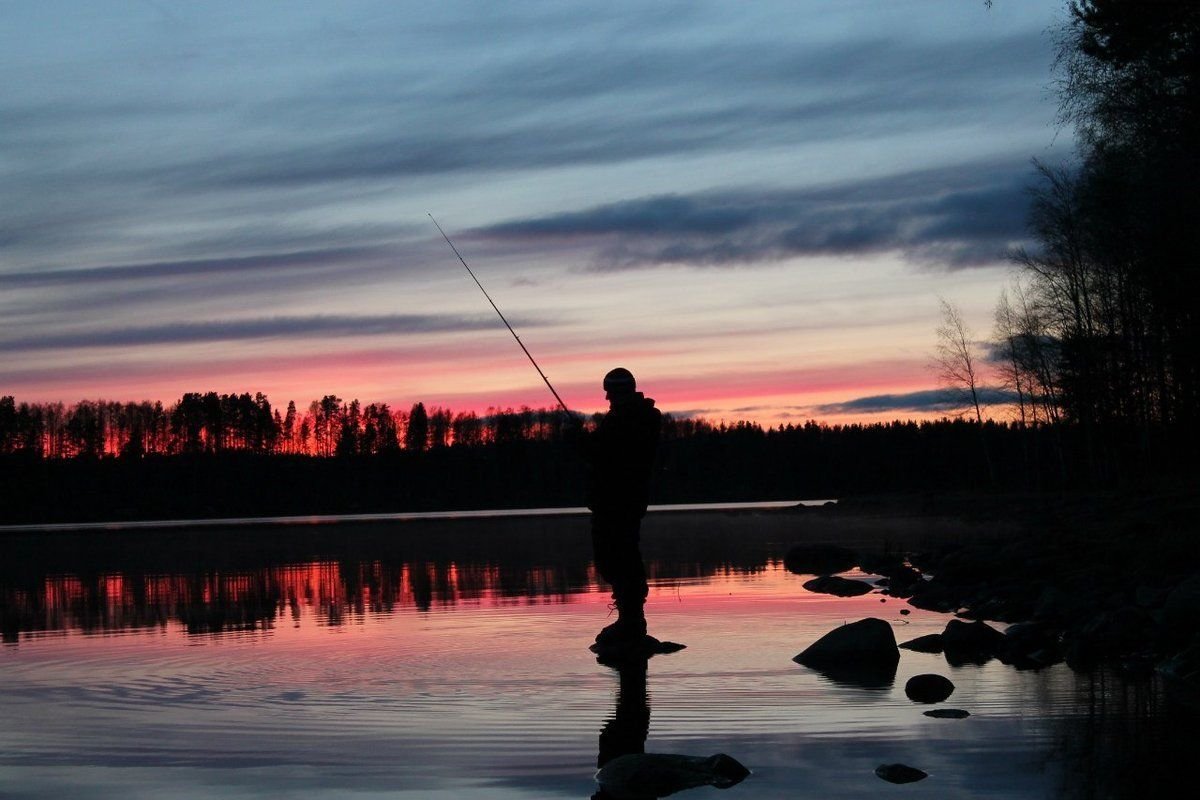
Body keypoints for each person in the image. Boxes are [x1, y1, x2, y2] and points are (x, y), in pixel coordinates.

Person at [586, 367, 662, 645]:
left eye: (609, 391)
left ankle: (632, 621)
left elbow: (605, 454)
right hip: (618, 501)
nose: (606, 397)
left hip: (620, 501)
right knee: (616, 560)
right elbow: (604, 451)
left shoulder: (633, 419)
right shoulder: (629, 418)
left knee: (620, 559)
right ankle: (630, 619)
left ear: (619, 391)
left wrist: (576, 441)